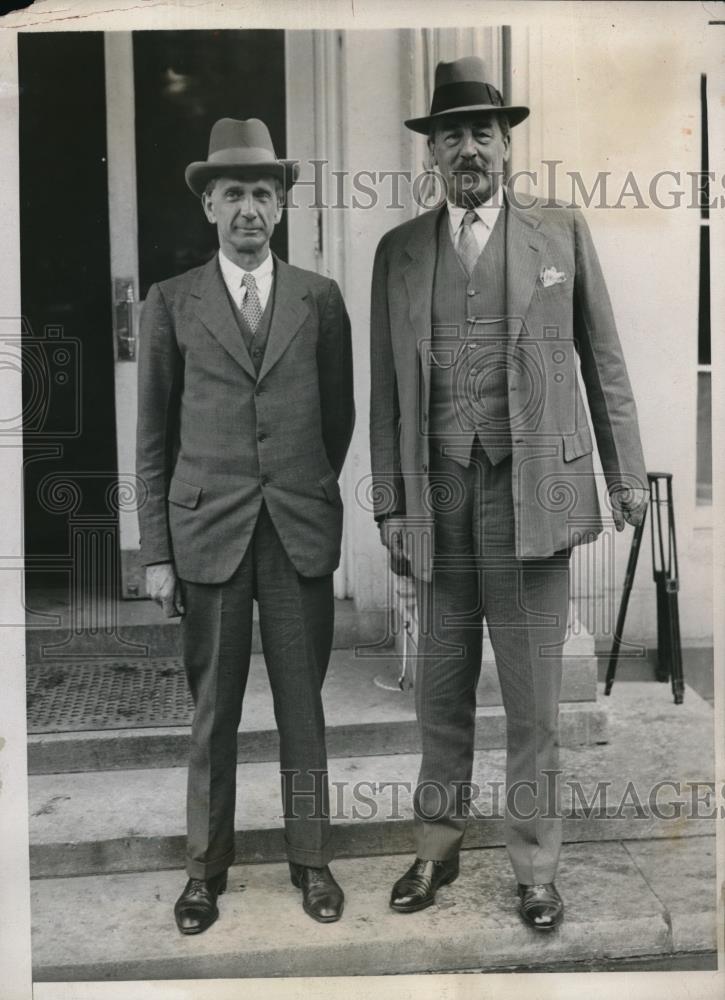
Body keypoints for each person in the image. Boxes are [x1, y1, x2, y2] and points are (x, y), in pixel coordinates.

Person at [369, 57, 647, 930]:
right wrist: (387, 503)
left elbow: (603, 364)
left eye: (481, 133)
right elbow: (383, 390)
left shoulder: (557, 233)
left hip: (535, 498)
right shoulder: (400, 251)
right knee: (440, 692)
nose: (467, 149)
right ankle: (435, 850)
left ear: (506, 143)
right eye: (450, 135)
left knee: (531, 700)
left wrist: (626, 472)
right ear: (433, 152)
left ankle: (535, 867)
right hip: (438, 502)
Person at [137, 117, 354, 934]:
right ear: (208, 207)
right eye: (233, 194)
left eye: (264, 193)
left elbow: (338, 421)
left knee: (303, 707)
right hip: (208, 537)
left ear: (283, 203)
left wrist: (298, 488)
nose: (249, 210)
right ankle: (204, 872)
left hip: (297, 531)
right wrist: (157, 552)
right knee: (212, 713)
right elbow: (153, 438)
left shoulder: (319, 301)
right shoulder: (171, 304)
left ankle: (312, 861)